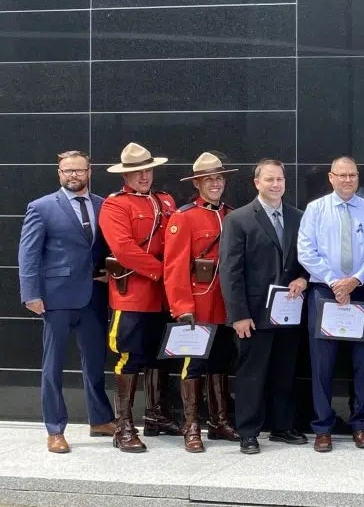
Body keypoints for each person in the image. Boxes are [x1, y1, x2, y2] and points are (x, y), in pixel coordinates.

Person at [18, 150, 117, 453]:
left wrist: (110, 275)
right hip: (56, 297)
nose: (73, 175)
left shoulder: (104, 205)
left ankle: (100, 419)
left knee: (96, 362)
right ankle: (55, 429)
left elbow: (112, 248)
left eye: (79, 170)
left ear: (90, 171)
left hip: (94, 297)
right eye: (67, 171)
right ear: (59, 173)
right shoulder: (42, 207)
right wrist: (31, 294)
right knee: (54, 365)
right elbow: (28, 254)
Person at [219, 159, 309, 454]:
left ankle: (282, 426)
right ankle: (248, 431)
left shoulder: (298, 217)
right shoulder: (239, 219)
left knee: (285, 371)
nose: (275, 185)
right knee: (252, 374)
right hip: (254, 314)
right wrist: (239, 315)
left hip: (289, 310)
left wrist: (303, 278)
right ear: (256, 183)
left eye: (279, 179)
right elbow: (230, 271)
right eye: (269, 179)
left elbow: (307, 258)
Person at [97, 143, 179, 452]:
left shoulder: (166, 200)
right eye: (136, 171)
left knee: (160, 355)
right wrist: (163, 272)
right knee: (129, 356)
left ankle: (157, 415)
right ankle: (124, 426)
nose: (144, 176)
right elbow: (124, 249)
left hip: (164, 296)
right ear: (126, 174)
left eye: (147, 170)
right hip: (133, 293)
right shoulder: (115, 205)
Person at [297, 156, 364, 452]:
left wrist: (354, 281)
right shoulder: (316, 209)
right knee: (322, 365)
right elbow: (306, 252)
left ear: (358, 178)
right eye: (342, 175)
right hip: (324, 292)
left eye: (352, 175)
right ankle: (323, 427)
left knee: (363, 364)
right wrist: (335, 282)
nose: (347, 180)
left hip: (360, 292)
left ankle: (360, 424)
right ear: (331, 177)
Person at [162, 153, 240, 452]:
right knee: (192, 366)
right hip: (198, 305)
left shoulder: (232, 213)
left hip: (226, 306)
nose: (216, 184)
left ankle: (219, 422)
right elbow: (175, 266)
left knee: (220, 363)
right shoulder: (183, 217)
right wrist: (182, 307)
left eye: (219, 178)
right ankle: (192, 426)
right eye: (209, 179)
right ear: (197, 183)